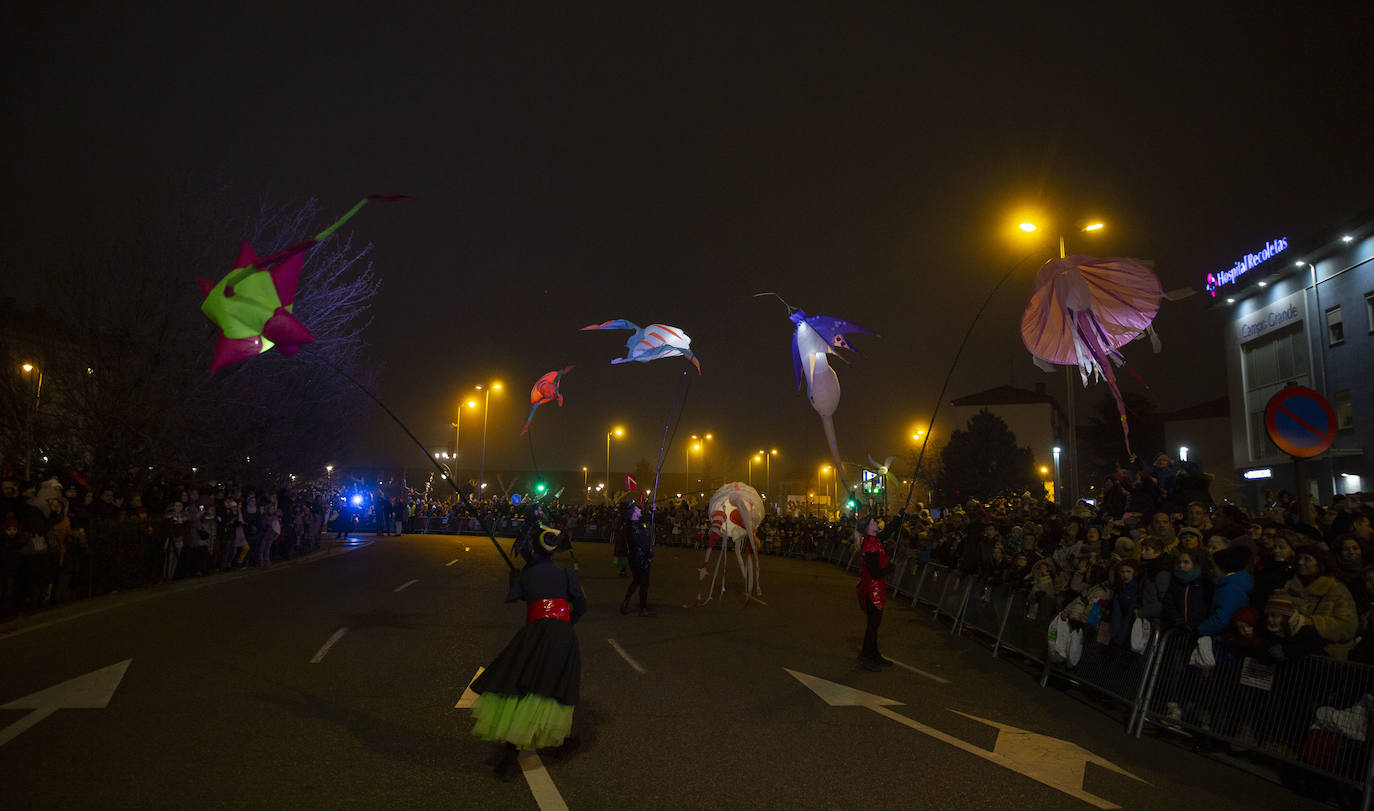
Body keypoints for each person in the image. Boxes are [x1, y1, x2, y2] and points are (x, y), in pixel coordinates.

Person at [470, 525, 587, 779]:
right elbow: (582, 606)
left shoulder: (527, 574)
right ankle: (559, 741)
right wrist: (566, 622)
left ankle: (510, 756)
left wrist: (516, 577)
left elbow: (515, 597)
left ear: (534, 548)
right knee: (556, 686)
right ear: (554, 550)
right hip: (562, 634)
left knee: (524, 685)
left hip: (534, 633)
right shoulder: (565, 575)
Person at [856, 513, 896, 671]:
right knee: (873, 625)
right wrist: (890, 569)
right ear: (868, 527)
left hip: (876, 589)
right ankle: (866, 656)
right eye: (874, 521)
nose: (876, 523)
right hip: (872, 591)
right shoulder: (870, 545)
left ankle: (874, 654)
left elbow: (889, 531)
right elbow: (875, 572)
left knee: (874, 624)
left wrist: (900, 514)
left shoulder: (875, 539)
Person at [619, 500, 655, 617]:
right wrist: (647, 554)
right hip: (640, 558)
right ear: (634, 513)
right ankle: (642, 609)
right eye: (637, 509)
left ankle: (625, 603)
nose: (640, 509)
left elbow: (645, 518)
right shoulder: (633, 527)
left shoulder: (633, 523)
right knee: (644, 583)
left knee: (637, 581)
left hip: (636, 558)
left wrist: (650, 511)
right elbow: (639, 542)